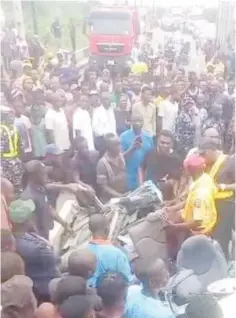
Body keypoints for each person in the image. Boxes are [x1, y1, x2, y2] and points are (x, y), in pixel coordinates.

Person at [9, 198, 60, 303]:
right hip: (44, 289)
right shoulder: (35, 248)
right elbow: (55, 258)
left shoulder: (15, 237)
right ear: (27, 220)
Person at [199, 140, 235, 259]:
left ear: (213, 151)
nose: (202, 157)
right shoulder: (205, 163)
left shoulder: (229, 162)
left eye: (204, 154)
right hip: (208, 204)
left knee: (221, 240)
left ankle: (222, 265)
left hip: (225, 205)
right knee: (209, 238)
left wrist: (223, 187)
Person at [21, 160, 71, 239]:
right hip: (38, 241)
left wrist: (64, 223)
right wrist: (43, 243)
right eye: (43, 174)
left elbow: (48, 208)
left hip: (45, 235)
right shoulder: (28, 197)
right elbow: (31, 226)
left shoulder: (41, 189)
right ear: (34, 176)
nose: (46, 176)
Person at [87, 214, 133, 287]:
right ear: (107, 229)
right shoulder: (116, 253)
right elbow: (127, 279)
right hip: (111, 295)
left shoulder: (84, 252)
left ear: (89, 229)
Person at [143, 130, 182, 200]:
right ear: (157, 141)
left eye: (168, 143)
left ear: (172, 144)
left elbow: (177, 180)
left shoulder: (176, 159)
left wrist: (167, 184)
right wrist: (142, 184)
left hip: (166, 196)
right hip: (148, 191)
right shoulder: (150, 152)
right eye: (162, 142)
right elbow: (141, 167)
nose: (165, 145)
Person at [121, 113, 153, 190]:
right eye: (135, 121)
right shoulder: (124, 136)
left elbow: (151, 156)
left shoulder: (148, 137)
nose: (137, 123)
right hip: (129, 174)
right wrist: (133, 149)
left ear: (143, 122)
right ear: (131, 122)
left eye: (140, 121)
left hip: (145, 174)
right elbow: (120, 157)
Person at [0, 105, 24, 196]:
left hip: (4, 164)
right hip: (16, 162)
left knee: (5, 188)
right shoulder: (15, 128)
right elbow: (21, 147)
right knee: (17, 188)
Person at [96, 133, 127, 202]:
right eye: (116, 145)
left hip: (123, 195)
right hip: (109, 201)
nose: (120, 147)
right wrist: (120, 195)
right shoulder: (102, 164)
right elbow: (103, 187)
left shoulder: (120, 156)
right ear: (108, 147)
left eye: (119, 144)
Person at [12, 94, 33, 161]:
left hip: (27, 148)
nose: (18, 109)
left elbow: (30, 133)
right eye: (16, 107)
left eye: (20, 107)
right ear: (13, 108)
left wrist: (32, 145)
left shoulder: (26, 119)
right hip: (17, 149)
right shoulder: (12, 120)